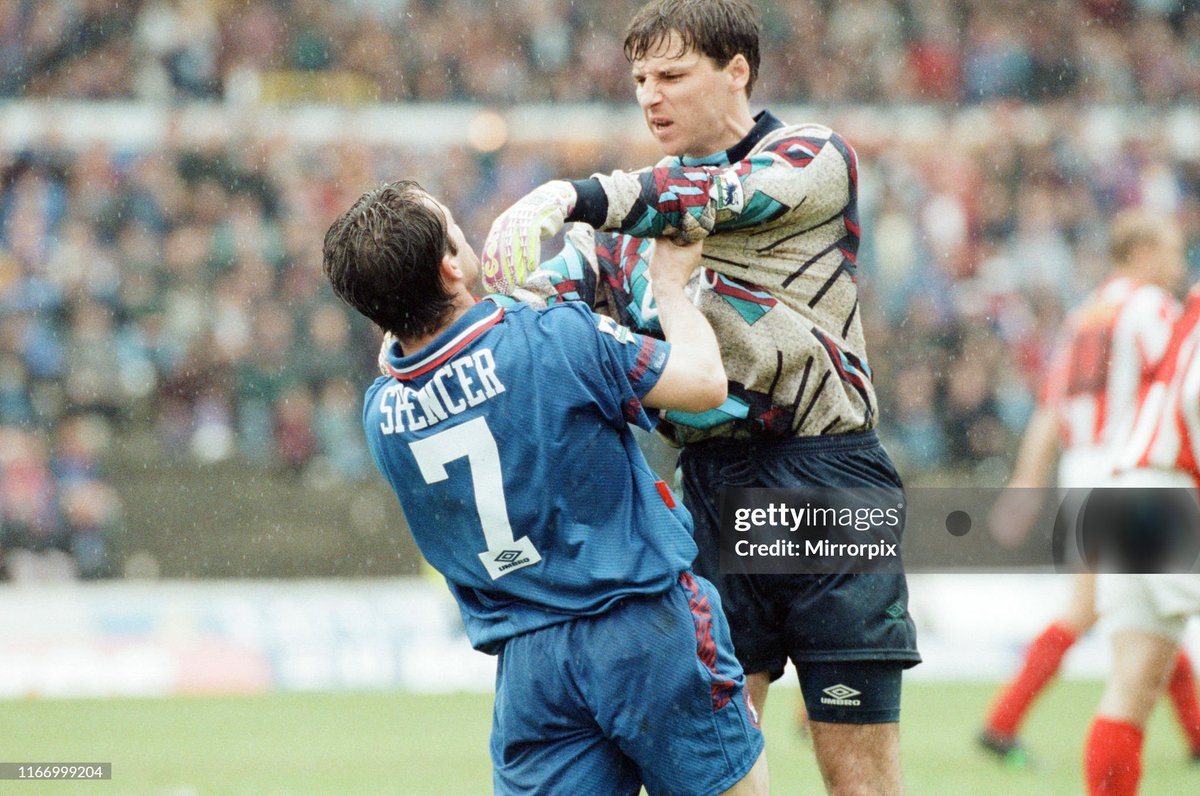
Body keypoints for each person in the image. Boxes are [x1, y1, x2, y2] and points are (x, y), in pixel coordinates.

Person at [481, 2, 919, 792]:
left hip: (825, 477)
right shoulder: (621, 223)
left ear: (737, 71)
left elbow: (712, 198)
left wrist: (573, 194)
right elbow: (539, 305)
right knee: (715, 772)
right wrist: (431, 328)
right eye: (641, 78)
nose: (651, 95)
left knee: (859, 778)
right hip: (709, 490)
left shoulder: (810, 157)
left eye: (673, 75)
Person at [322, 180, 767, 795]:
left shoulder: (381, 416)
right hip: (645, 627)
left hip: (531, 667)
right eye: (453, 226)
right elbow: (704, 382)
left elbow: (413, 349)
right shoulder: (556, 336)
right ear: (452, 266)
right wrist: (670, 287)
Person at [981, 211, 1200, 766]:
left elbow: (1050, 407)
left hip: (1079, 468)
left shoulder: (1085, 314)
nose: (1179, 262)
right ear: (1144, 250)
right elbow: (1182, 387)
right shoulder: (1150, 308)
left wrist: (1028, 482)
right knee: (1132, 612)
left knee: (1131, 613)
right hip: (1133, 470)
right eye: (1172, 249)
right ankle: (1001, 722)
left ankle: (1003, 722)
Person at [1083, 277, 1200, 795]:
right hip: (1169, 489)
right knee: (1137, 679)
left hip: (1127, 483)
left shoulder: (1186, 314)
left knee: (1134, 682)